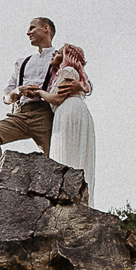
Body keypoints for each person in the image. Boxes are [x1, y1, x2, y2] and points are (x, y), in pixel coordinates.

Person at [0, 17, 61, 171]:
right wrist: (19, 90)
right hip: (20, 114)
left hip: (44, 114)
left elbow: (81, 78)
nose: (28, 32)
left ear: (46, 28)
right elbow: (6, 96)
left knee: (56, 157)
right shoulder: (23, 62)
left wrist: (79, 86)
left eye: (32, 28)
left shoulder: (59, 57)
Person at [45, 44, 97, 206]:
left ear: (67, 56)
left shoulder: (68, 70)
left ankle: (66, 193)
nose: (54, 53)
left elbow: (57, 98)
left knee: (67, 151)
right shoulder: (70, 73)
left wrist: (39, 93)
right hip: (72, 110)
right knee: (74, 153)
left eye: (59, 52)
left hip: (69, 110)